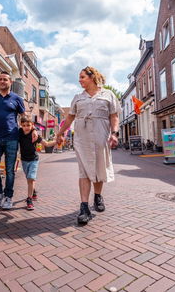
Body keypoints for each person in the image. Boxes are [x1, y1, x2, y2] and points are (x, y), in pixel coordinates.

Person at [57, 66, 119, 224]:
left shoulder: (108, 95)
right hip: (82, 137)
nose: (79, 80)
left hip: (101, 136)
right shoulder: (78, 97)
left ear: (92, 77)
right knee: (84, 170)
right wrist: (60, 132)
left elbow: (114, 116)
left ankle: (97, 196)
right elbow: (69, 119)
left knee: (98, 168)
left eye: (82, 77)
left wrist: (114, 133)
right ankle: (84, 207)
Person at [0, 71, 37, 210]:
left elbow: (24, 116)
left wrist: (34, 129)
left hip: (11, 138)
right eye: (0, 79)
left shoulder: (17, 99)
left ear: (10, 82)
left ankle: (8, 196)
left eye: (5, 79)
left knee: (10, 170)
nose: (2, 81)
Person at [19, 114, 56, 210]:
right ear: (21, 125)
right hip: (24, 160)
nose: (26, 127)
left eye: (28, 125)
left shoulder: (34, 135)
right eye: (24, 125)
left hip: (33, 160)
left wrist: (57, 141)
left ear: (32, 125)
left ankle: (29, 199)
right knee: (28, 179)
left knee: (31, 178)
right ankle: (33, 191)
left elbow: (46, 144)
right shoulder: (19, 132)